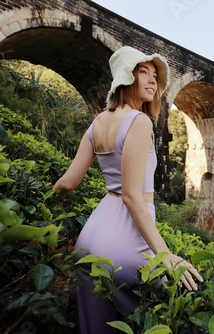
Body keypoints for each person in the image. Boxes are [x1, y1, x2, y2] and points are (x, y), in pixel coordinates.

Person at [53, 46, 203, 333]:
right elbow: (133, 196)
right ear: (125, 79)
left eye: (154, 75)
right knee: (148, 319)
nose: (152, 81)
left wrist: (47, 200)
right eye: (142, 73)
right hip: (126, 241)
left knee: (95, 327)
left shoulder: (98, 121)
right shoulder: (139, 121)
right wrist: (166, 255)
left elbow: (67, 183)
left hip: (90, 238)